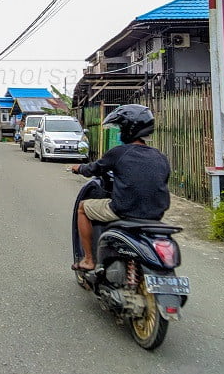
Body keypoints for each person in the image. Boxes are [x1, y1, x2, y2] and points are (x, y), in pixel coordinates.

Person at [70, 104, 171, 272]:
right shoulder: (160, 156)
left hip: (124, 210)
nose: (119, 132)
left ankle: (88, 260)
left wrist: (78, 168)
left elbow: (94, 169)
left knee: (83, 208)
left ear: (128, 129)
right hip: (155, 214)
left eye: (120, 127)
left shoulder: (119, 152)